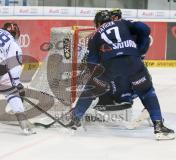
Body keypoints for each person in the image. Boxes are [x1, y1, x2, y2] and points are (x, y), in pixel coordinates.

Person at [67, 10, 175, 140]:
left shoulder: (94, 35)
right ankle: (159, 127)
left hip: (109, 66)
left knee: (90, 92)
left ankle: (74, 120)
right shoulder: (122, 23)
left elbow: (92, 63)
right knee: (146, 91)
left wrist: (93, 82)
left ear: (97, 23)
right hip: (133, 61)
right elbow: (146, 29)